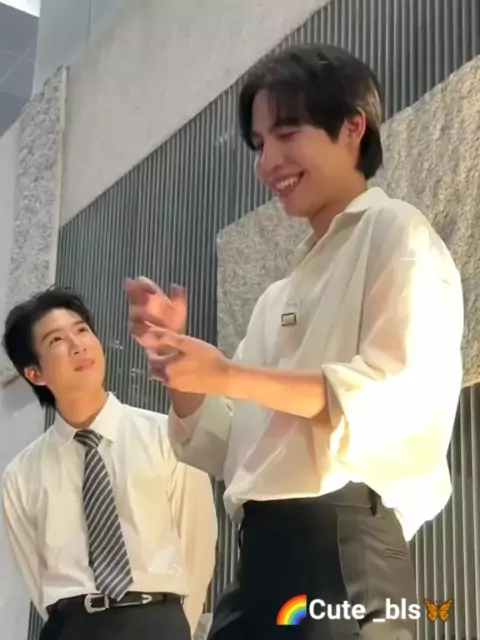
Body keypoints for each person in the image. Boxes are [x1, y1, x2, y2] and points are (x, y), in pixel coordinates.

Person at [126, 44, 464, 639]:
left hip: (342, 550)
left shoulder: (397, 233)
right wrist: (183, 371)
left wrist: (227, 375)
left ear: (353, 128)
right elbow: (230, 445)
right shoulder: (277, 295)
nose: (268, 163)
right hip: (260, 556)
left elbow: (392, 398)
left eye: (287, 133)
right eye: (259, 144)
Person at [0, 287, 217, 640]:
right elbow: (36, 580)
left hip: (158, 621)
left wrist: (176, 627)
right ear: (35, 373)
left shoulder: (166, 436)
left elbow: (198, 546)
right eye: (57, 340)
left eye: (82, 330)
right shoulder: (21, 476)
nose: (78, 345)